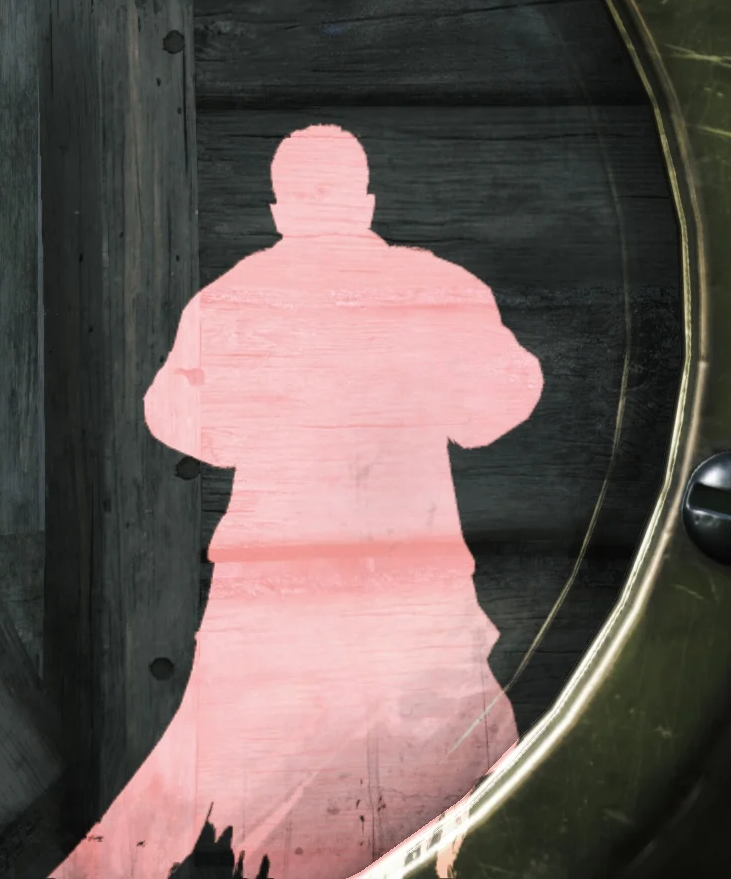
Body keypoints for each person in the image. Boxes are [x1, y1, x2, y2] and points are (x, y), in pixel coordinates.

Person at [57, 125, 544, 879]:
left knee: (227, 777)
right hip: (412, 589)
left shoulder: (232, 299)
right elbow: (500, 405)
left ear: (280, 210)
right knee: (463, 769)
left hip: (270, 591)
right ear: (365, 203)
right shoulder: (436, 289)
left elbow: (175, 417)